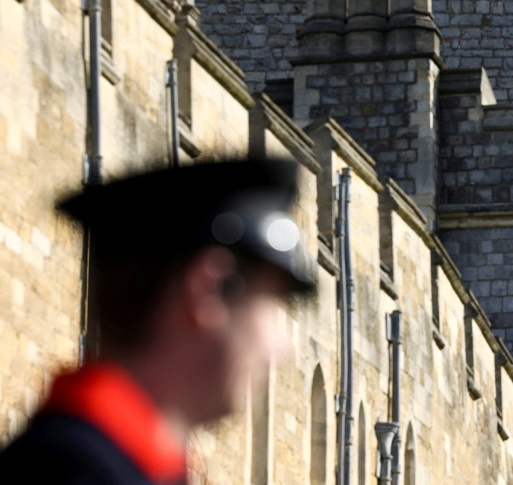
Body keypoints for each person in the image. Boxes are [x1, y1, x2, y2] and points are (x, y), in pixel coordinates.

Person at [0, 158, 316, 484]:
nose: (282, 348)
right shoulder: (76, 471)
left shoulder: (100, 462)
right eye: (271, 307)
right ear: (208, 290)